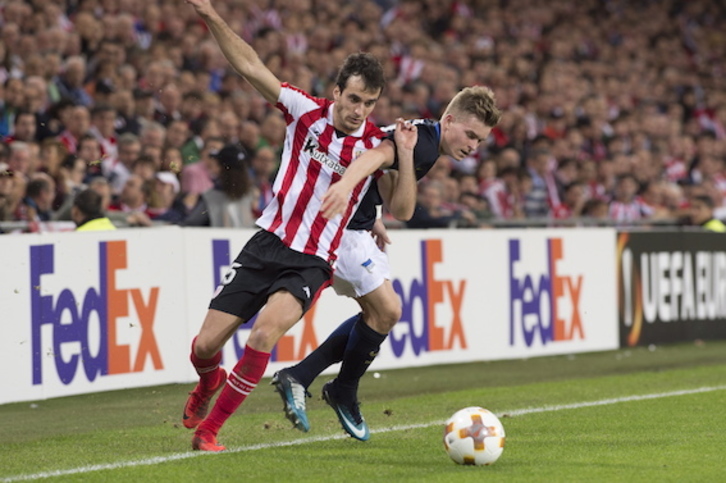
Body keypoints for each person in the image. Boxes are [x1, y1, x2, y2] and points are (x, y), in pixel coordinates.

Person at [182, 0, 388, 452]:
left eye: (369, 103)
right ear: (336, 91)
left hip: (313, 261)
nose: (360, 111)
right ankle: (208, 380)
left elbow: (401, 158)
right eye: (354, 99)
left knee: (262, 335)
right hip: (267, 242)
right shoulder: (303, 110)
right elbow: (250, 66)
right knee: (204, 345)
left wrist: (376, 218)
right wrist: (212, 17)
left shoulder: (377, 142)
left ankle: (209, 431)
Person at [273, 86, 501, 441]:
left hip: (356, 225)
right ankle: (340, 390)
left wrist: (370, 207)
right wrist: (356, 187)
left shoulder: (423, 134)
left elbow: (376, 161)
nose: (473, 146)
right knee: (387, 311)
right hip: (343, 230)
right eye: (471, 135)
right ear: (450, 119)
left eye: (481, 141)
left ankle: (303, 376)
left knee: (378, 314)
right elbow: (397, 195)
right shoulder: (421, 144)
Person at [183, 144, 257, 228]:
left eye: (218, 164)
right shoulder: (252, 195)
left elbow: (192, 223)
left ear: (222, 168)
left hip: (219, 240)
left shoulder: (211, 196)